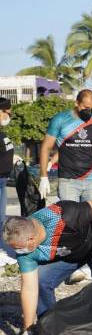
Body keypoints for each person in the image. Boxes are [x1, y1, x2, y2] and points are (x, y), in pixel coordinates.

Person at [4, 200, 92, 335]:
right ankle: (50, 332)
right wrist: (28, 330)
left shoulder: (63, 215)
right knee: (42, 281)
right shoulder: (26, 251)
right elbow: (29, 287)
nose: (17, 253)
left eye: (18, 248)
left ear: (31, 240)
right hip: (71, 250)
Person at [0, 98, 17, 267]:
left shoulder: (2, 133)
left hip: (3, 180)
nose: (8, 116)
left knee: (0, 218)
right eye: (7, 112)